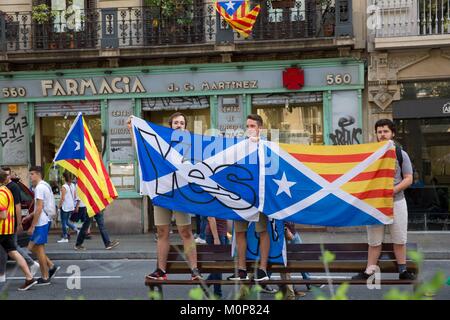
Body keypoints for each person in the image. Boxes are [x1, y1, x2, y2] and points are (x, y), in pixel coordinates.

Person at [127, 112, 202, 281]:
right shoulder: (160, 142)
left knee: (186, 231)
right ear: (170, 126)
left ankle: (194, 270)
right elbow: (141, 149)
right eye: (176, 122)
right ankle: (161, 270)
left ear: (185, 126)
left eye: (182, 122)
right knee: (162, 231)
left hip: (182, 193)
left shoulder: (191, 145)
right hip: (162, 191)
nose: (179, 125)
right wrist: (132, 130)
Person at [352, 119, 416, 281]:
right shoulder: (371, 155)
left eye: (385, 131)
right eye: (379, 132)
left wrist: (391, 191)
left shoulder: (401, 154)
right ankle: (369, 271)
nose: (382, 134)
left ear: (392, 133)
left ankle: (403, 271)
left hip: (397, 202)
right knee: (374, 241)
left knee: (399, 239)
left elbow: (408, 178)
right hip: (375, 204)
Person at [227, 114, 271, 282]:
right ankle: (242, 270)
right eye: (248, 126)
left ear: (259, 128)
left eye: (252, 126)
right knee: (239, 232)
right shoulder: (240, 147)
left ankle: (262, 270)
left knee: (262, 231)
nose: (249, 129)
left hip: (260, 196)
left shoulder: (267, 146)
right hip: (242, 196)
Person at [0, 169, 37, 291]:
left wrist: (19, 223)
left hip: (2, 229)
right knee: (13, 251)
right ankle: (29, 277)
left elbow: (3, 215)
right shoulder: (6, 190)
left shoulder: (1, 193)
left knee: (11, 251)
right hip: (8, 228)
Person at [28, 166, 61, 286]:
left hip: (41, 221)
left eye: (32, 174)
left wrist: (32, 225)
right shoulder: (45, 185)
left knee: (39, 249)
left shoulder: (40, 187)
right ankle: (51, 266)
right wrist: (30, 216)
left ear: (38, 174)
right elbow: (40, 206)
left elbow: (39, 208)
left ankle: (45, 277)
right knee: (32, 247)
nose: (30, 177)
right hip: (44, 219)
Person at [205, 216, 228, 298]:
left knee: (220, 264)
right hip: (216, 235)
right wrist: (216, 238)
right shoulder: (211, 202)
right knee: (219, 266)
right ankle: (217, 294)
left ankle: (204, 285)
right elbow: (211, 218)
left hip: (222, 233)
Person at [57, 171, 79, 243]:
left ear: (64, 178)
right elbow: (75, 196)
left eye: (62, 177)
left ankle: (65, 237)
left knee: (63, 222)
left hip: (65, 206)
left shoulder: (64, 186)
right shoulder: (73, 185)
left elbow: (62, 198)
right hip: (71, 206)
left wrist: (59, 206)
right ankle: (77, 230)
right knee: (66, 221)